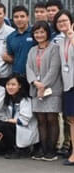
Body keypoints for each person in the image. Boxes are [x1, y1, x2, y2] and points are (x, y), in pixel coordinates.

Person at [26, 21, 62, 161]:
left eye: (42, 32)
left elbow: (54, 69)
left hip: (52, 90)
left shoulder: (54, 48)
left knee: (51, 118)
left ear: (47, 33)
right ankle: (43, 148)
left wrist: (43, 85)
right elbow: (28, 68)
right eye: (36, 32)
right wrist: (35, 83)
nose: (39, 35)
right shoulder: (32, 50)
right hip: (36, 89)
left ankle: (52, 150)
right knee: (41, 119)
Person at [0, 73, 38, 159]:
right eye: (8, 84)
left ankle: (16, 150)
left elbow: (24, 120)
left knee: (4, 125)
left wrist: (6, 123)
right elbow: (2, 115)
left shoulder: (25, 100)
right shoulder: (8, 99)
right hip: (9, 126)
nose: (10, 87)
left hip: (23, 129)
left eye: (13, 84)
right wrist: (1, 128)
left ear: (19, 86)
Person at [57, 11, 74, 165]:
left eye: (65, 20)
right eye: (59, 21)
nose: (62, 23)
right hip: (68, 84)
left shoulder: (71, 37)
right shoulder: (60, 41)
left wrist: (72, 37)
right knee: (71, 119)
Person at [6, 5, 35, 78]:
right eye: (16, 17)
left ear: (28, 17)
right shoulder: (10, 37)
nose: (19, 19)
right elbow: (11, 57)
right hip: (17, 75)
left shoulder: (35, 33)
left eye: (22, 16)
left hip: (34, 75)